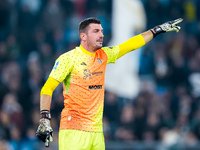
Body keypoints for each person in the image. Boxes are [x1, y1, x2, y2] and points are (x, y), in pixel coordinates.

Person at [36, 17, 183, 150]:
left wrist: (156, 30)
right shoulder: (68, 59)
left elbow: (130, 45)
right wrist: (44, 119)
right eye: (96, 31)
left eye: (102, 31)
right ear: (83, 36)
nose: (101, 35)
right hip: (74, 131)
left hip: (97, 133)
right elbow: (47, 88)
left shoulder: (104, 55)